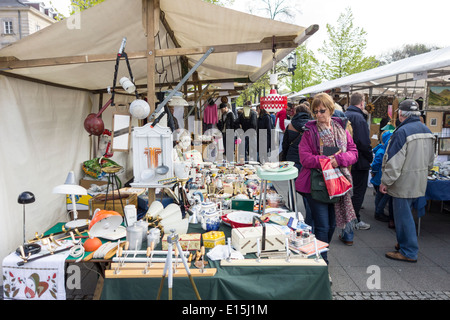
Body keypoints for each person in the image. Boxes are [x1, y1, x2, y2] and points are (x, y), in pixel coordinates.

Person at [296, 93, 358, 263]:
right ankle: (322, 261)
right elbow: (304, 158)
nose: (318, 115)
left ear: (331, 110)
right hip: (315, 185)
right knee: (322, 225)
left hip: (337, 183)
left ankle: (318, 252)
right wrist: (325, 161)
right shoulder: (310, 131)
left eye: (322, 111)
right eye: (315, 112)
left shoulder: (342, 130)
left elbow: (354, 153)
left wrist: (339, 160)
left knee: (331, 225)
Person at [380, 99, 435, 263]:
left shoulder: (402, 132)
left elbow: (394, 161)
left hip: (402, 182)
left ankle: (409, 251)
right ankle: (404, 243)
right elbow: (431, 160)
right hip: (419, 179)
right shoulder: (426, 130)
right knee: (408, 215)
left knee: (403, 217)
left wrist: (385, 182)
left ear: (401, 114)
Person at [279, 104, 313, 227]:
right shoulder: (312, 126)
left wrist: (283, 161)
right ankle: (309, 220)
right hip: (307, 162)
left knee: (292, 187)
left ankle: (291, 213)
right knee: (307, 191)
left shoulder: (291, 125)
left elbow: (285, 145)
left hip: (292, 161)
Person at [344, 92, 373, 231]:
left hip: (346, 159)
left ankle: (348, 218)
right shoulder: (359, 118)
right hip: (358, 160)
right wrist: (369, 157)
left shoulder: (344, 114)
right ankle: (354, 220)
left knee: (348, 190)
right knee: (358, 191)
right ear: (362, 103)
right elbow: (363, 142)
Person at [370, 131, 393, 224]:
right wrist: (374, 172)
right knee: (384, 195)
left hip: (378, 178)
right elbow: (376, 164)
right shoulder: (382, 151)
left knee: (380, 196)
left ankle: (378, 212)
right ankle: (379, 212)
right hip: (379, 177)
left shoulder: (380, 149)